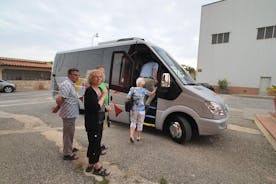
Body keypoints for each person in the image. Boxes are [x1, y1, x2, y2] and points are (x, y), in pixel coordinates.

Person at [84, 69, 110, 176]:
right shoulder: (90, 91)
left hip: (99, 120)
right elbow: (95, 107)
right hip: (92, 122)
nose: (99, 79)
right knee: (95, 143)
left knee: (95, 142)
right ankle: (97, 166)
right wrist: (104, 96)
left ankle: (90, 163)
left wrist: (106, 107)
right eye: (96, 77)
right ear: (91, 78)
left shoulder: (99, 88)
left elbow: (100, 105)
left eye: (100, 77)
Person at [52, 68, 80, 160]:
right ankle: (67, 154)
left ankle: (69, 148)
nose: (77, 76)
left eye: (78, 75)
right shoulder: (67, 84)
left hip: (71, 113)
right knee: (68, 134)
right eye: (75, 74)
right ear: (69, 75)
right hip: (68, 114)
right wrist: (56, 108)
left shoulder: (71, 84)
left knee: (69, 133)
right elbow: (61, 99)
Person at [127, 77, 156, 143]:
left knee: (133, 122)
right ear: (142, 84)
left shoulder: (132, 89)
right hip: (141, 110)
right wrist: (155, 89)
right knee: (140, 123)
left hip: (134, 109)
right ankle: (138, 137)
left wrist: (132, 98)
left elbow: (128, 97)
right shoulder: (143, 90)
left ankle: (131, 135)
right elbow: (151, 94)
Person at [96, 65, 110, 155]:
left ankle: (98, 145)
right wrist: (105, 106)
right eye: (100, 72)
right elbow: (98, 99)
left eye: (103, 72)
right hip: (100, 111)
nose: (102, 74)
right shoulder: (97, 85)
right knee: (98, 130)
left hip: (104, 110)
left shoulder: (102, 84)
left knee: (101, 129)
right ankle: (97, 149)